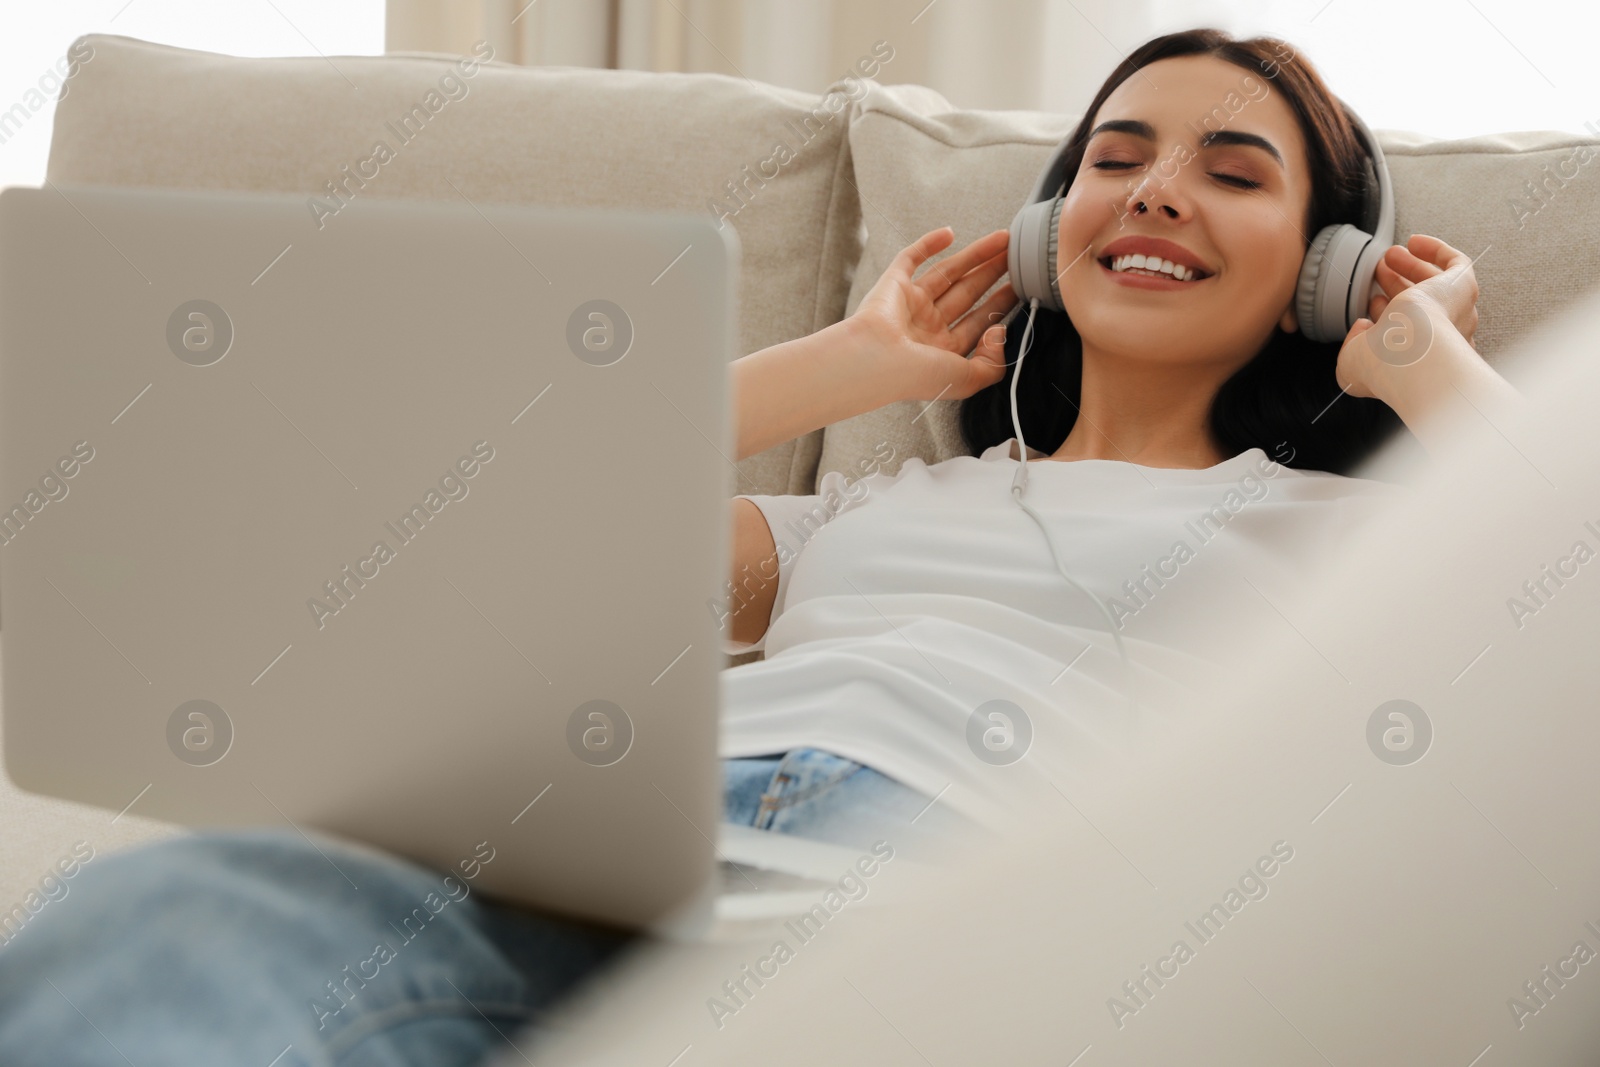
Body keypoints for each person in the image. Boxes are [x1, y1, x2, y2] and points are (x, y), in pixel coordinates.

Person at [0, 27, 1522, 1066]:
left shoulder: (1351, 536)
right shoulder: (864, 512)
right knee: (177, 914)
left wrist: (1421, 367)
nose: (1157, 189)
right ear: (1057, 223)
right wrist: (850, 372)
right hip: (612, 850)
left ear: (1321, 274)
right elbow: (447, 522)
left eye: (1235, 172)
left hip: (944, 906)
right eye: (1116, 157)